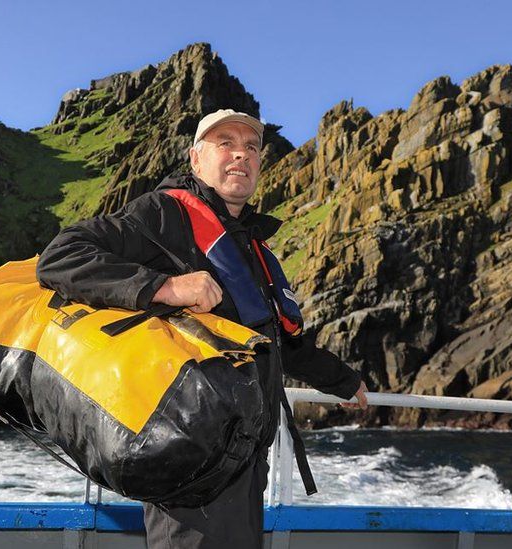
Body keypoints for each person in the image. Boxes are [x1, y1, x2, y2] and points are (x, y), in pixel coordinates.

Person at [36, 109, 368, 548]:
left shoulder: (249, 245)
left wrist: (344, 381)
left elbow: (280, 342)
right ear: (196, 159)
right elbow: (61, 258)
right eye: (225, 143)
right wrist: (164, 287)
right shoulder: (162, 214)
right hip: (189, 459)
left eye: (251, 147)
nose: (241, 155)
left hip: (244, 463)